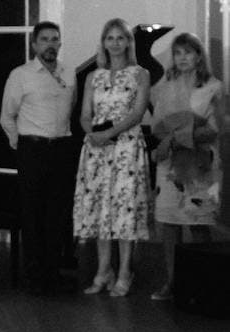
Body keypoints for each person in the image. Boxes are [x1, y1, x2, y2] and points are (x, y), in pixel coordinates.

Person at [72, 18, 151, 296]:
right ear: (103, 42)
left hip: (126, 147)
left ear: (129, 42)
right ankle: (103, 270)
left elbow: (138, 113)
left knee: (124, 208)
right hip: (96, 148)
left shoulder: (140, 73)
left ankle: (125, 271)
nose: (115, 43)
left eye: (121, 38)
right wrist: (92, 133)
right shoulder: (94, 76)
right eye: (110, 38)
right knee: (100, 209)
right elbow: (83, 114)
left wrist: (110, 133)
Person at [0, 22, 77, 294]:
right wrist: (19, 144)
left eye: (55, 39)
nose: (50, 44)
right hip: (32, 150)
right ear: (34, 45)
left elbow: (73, 109)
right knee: (32, 215)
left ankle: (53, 273)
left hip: (62, 149)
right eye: (44, 39)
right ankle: (33, 277)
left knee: (57, 214)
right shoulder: (20, 75)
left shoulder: (70, 73)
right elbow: (7, 116)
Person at [149, 32, 224, 301]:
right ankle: (173, 282)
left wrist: (176, 137)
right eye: (178, 53)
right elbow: (158, 125)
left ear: (199, 56)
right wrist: (167, 136)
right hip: (170, 164)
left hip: (200, 164)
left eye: (188, 52)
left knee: (199, 222)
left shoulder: (214, 87)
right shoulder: (164, 85)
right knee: (170, 223)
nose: (182, 58)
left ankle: (205, 284)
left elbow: (216, 129)